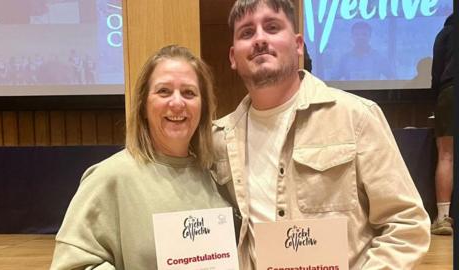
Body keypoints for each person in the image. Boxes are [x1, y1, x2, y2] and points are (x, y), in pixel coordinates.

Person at [211, 0, 430, 269]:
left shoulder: (356, 117)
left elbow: (407, 224)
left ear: (298, 44)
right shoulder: (219, 138)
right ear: (233, 57)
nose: (259, 39)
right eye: (247, 32)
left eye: (272, 27)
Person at [50, 45, 230, 269]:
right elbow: (72, 265)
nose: (177, 102)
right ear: (144, 105)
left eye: (189, 92)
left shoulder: (215, 177)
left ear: (202, 107)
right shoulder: (110, 177)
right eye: (164, 91)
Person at [430, 13, 454, 235]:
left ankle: (443, 218)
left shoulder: (445, 33)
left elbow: (436, 73)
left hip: (450, 92)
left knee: (446, 155)